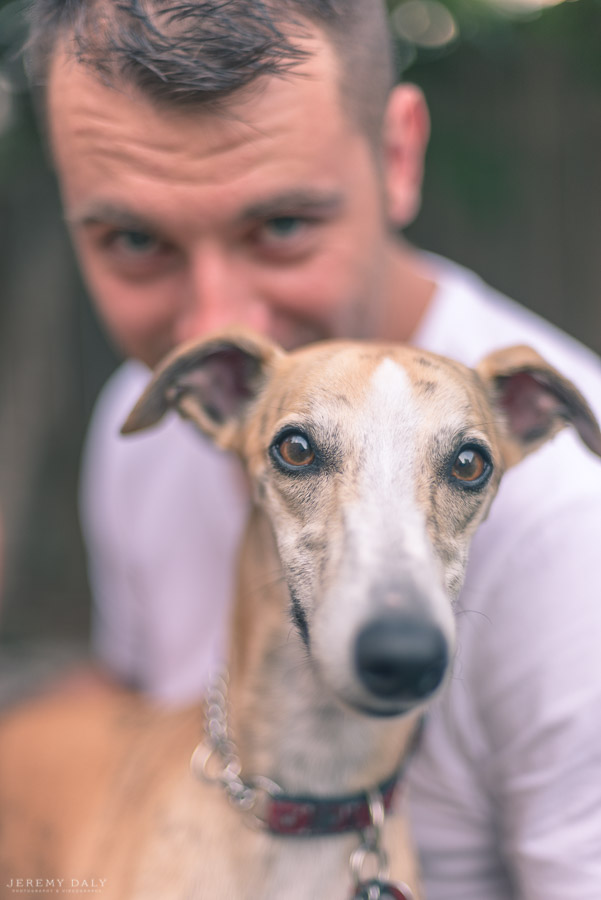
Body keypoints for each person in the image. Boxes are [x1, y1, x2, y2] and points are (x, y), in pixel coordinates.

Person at [26, 1, 601, 897]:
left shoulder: (578, 518)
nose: (218, 323)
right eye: (135, 240)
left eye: (282, 225)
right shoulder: (145, 415)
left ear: (397, 155)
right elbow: (129, 702)